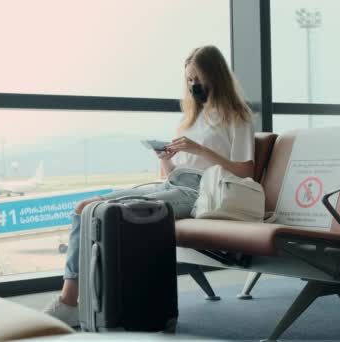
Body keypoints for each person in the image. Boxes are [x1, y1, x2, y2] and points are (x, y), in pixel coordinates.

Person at [43, 45, 256, 327]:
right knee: (85, 208)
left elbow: (246, 170)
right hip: (175, 184)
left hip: (202, 193)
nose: (193, 85)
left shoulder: (237, 117)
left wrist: (202, 150)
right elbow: (171, 174)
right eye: (189, 80)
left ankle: (70, 303)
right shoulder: (190, 119)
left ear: (215, 76)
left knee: (102, 211)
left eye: (197, 78)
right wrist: (166, 159)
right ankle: (71, 299)